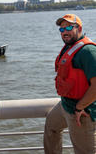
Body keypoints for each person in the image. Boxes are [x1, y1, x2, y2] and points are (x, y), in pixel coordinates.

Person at [44, 14, 96, 154]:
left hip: (82, 111)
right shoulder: (70, 46)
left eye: (68, 27)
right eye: (61, 29)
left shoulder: (88, 52)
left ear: (79, 28)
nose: (64, 32)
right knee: (51, 127)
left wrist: (80, 107)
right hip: (66, 104)